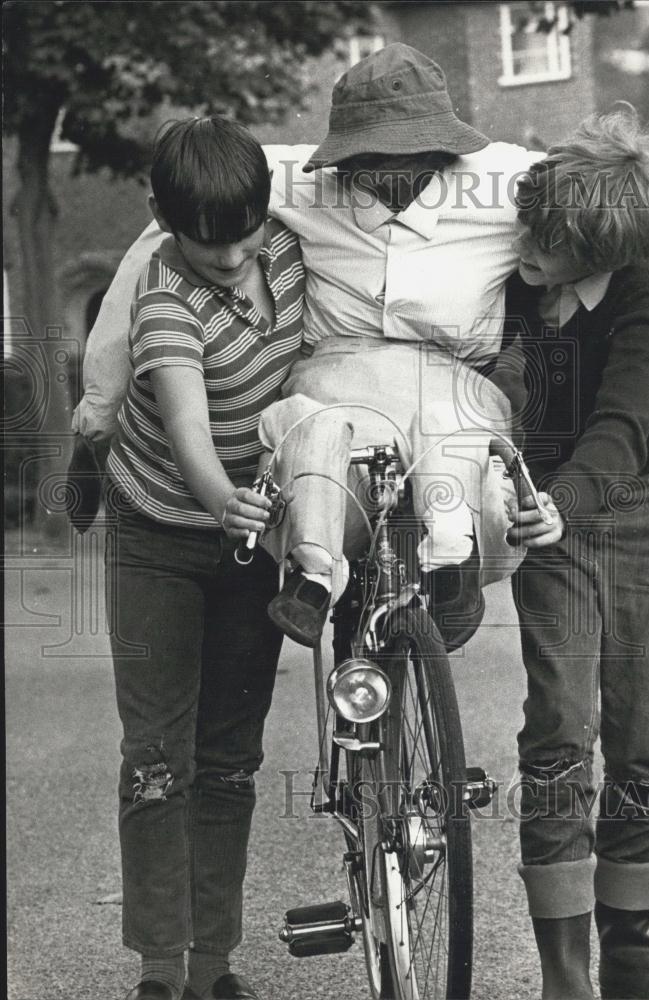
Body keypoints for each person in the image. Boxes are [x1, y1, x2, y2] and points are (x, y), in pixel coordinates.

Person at [72, 43, 541, 649]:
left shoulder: (507, 183)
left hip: (450, 390)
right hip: (340, 386)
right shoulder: (290, 177)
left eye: (416, 156)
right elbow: (158, 238)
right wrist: (99, 409)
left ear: (446, 146)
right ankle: (319, 587)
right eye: (368, 159)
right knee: (315, 453)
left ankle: (454, 573)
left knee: (460, 463)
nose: (390, 176)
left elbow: (600, 198)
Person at [504, 110, 649, 999]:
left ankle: (629, 950)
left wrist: (565, 501)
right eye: (531, 226)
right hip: (546, 507)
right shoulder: (510, 276)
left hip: (648, 502)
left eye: (554, 241)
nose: (530, 249)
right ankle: (565, 975)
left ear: (605, 250)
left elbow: (623, 425)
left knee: (646, 736)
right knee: (556, 730)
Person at [106, 116, 305, 1000]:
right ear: (162, 217)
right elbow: (187, 423)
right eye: (204, 242)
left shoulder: (294, 251)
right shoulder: (162, 297)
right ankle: (158, 973)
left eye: (244, 235)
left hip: (250, 540)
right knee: (158, 754)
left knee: (230, 753)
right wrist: (223, 499)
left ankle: (212, 967)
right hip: (158, 535)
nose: (230, 258)